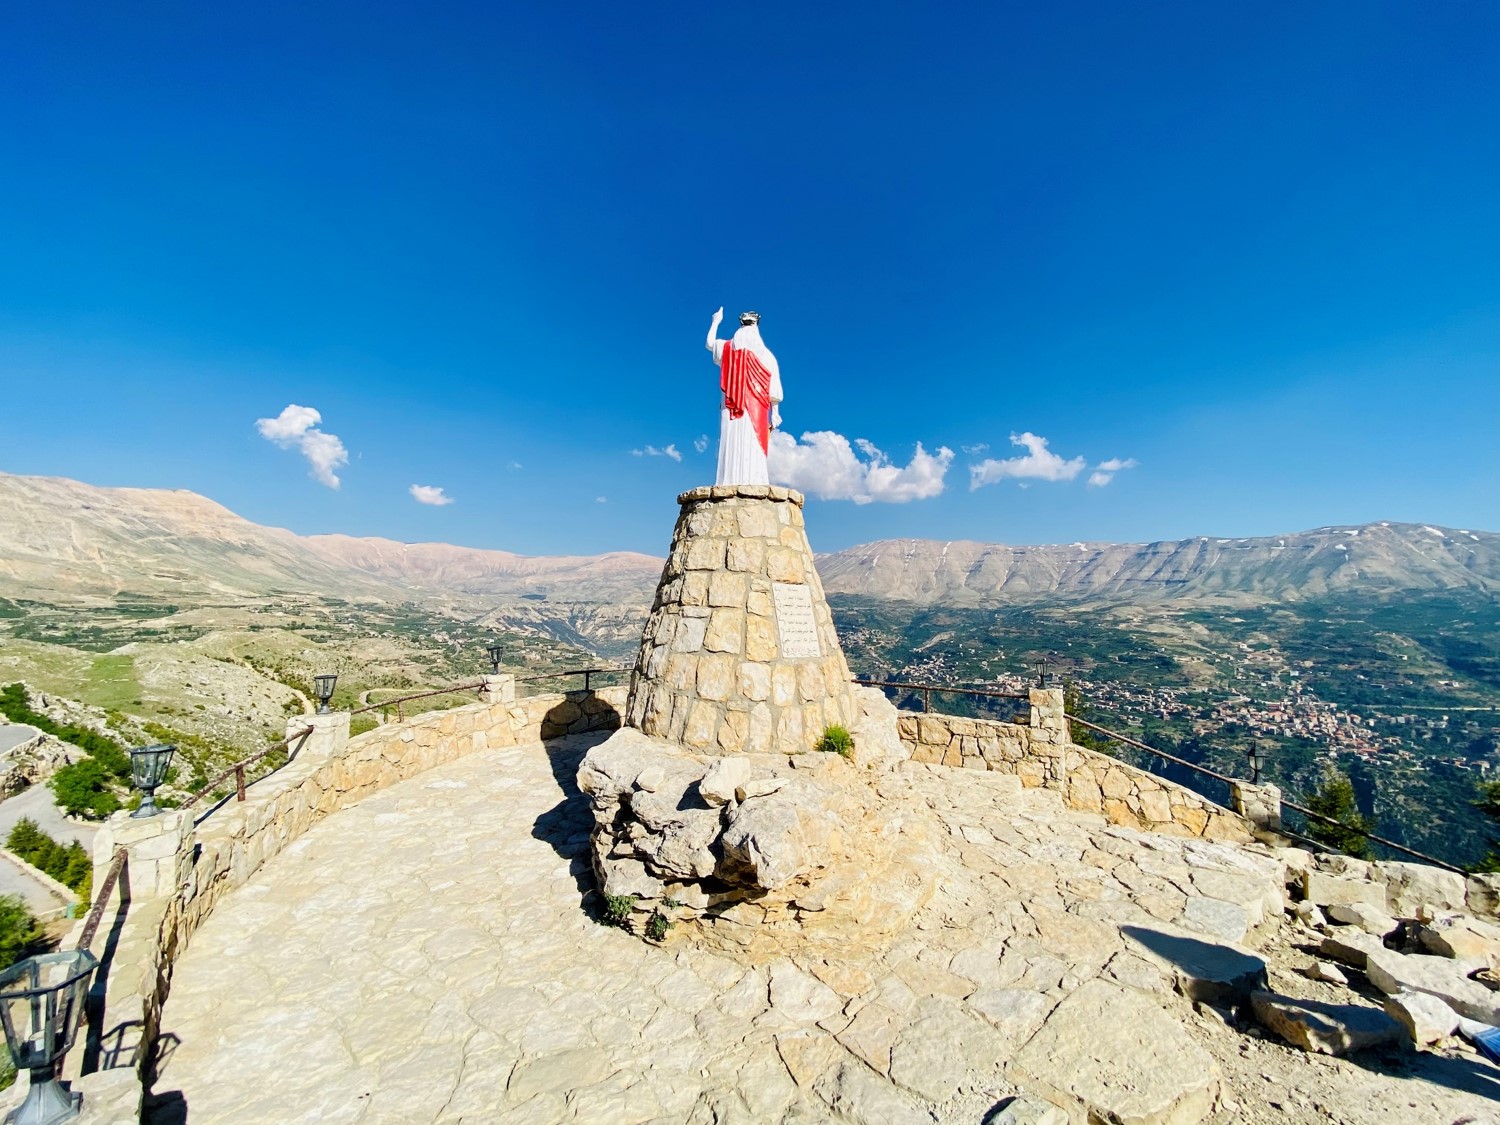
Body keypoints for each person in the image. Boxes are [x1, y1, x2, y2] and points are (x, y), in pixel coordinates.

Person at [706, 307, 782, 486]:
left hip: (753, 408)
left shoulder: (730, 349)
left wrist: (715, 322)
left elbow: (709, 343)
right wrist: (776, 411)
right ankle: (732, 482)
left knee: (752, 444)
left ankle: (752, 482)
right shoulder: (765, 355)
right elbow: (775, 389)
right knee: (733, 441)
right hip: (736, 408)